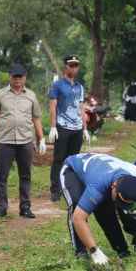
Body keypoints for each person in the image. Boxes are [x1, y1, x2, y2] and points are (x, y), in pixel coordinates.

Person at [0, 63, 46, 218]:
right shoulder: (1, 94)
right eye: (15, 76)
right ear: (10, 77)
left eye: (21, 76)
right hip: (6, 140)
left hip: (25, 140)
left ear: (25, 77)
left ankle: (25, 207)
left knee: (25, 175)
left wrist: (41, 138)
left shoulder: (31, 95)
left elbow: (36, 118)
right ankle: (1, 207)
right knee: (1, 176)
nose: (18, 80)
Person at [60, 152, 136, 264]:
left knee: (106, 210)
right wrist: (94, 251)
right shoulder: (98, 183)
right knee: (76, 205)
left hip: (99, 168)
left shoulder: (135, 174)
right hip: (72, 169)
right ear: (114, 186)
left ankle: (122, 249)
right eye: (118, 199)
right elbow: (78, 219)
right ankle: (81, 252)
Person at [48, 55, 89, 202]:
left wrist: (85, 128)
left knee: (74, 160)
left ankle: (70, 188)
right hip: (62, 127)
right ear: (66, 67)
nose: (74, 68)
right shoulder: (58, 85)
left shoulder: (80, 87)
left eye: (76, 65)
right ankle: (55, 189)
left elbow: (81, 108)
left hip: (77, 128)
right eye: (71, 65)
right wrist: (53, 126)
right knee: (59, 159)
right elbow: (52, 106)